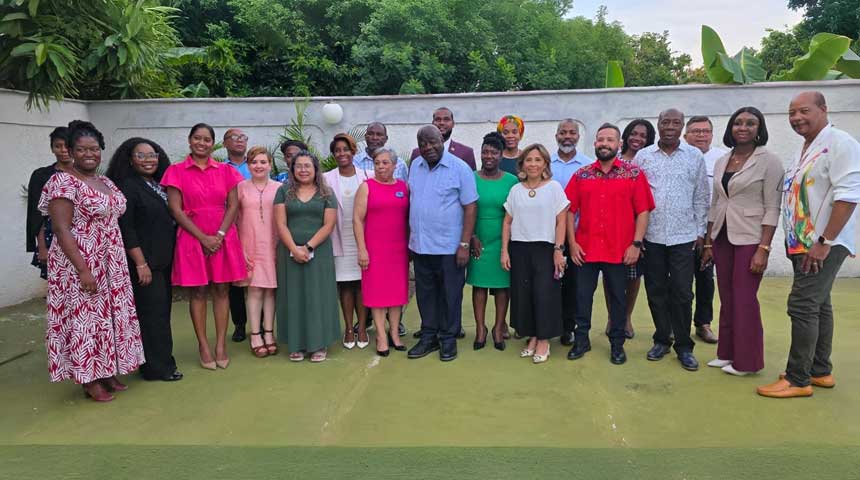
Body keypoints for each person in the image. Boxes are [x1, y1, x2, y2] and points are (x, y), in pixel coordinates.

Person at [758, 91, 860, 398]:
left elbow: (848, 196)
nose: (796, 118)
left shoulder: (840, 143)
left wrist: (825, 241)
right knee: (819, 304)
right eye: (792, 113)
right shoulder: (806, 147)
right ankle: (819, 370)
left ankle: (797, 379)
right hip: (804, 243)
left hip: (821, 244)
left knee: (802, 305)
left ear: (823, 109)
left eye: (804, 111)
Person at [38, 120, 144, 402]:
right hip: (80, 261)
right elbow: (61, 229)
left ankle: (106, 369)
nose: (89, 154)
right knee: (85, 319)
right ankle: (88, 378)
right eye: (82, 149)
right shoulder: (62, 182)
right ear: (71, 152)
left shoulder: (105, 182)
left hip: (111, 261)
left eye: (94, 149)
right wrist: (83, 270)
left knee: (107, 317)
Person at [700, 107, 783, 377]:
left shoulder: (769, 161)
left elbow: (772, 207)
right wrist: (709, 242)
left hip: (751, 238)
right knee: (727, 296)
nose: (743, 128)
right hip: (722, 236)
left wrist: (764, 248)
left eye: (750, 123)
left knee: (744, 298)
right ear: (730, 128)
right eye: (738, 123)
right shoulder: (722, 160)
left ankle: (747, 362)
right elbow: (716, 204)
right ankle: (726, 352)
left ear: (759, 128)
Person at [565, 124, 654, 365]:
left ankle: (617, 344)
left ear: (619, 144)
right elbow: (568, 210)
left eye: (610, 140)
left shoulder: (633, 174)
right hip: (585, 249)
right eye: (600, 139)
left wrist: (636, 244)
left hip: (619, 250)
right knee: (582, 298)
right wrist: (572, 243)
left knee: (618, 299)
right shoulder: (582, 175)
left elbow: (643, 211)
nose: (604, 143)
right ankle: (581, 340)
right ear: (595, 143)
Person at [161, 123, 246, 371]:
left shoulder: (226, 171)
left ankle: (220, 345)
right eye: (197, 138)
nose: (202, 143)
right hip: (191, 237)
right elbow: (175, 209)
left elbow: (233, 205)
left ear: (213, 143)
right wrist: (203, 238)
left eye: (207, 139)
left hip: (222, 236)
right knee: (197, 292)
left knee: (221, 290)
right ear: (190, 140)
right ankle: (203, 346)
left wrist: (218, 235)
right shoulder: (176, 171)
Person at [634, 108, 709, 371]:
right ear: (658, 124)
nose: (670, 127)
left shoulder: (694, 155)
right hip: (652, 236)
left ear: (682, 127)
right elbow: (635, 198)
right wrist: (637, 235)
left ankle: (684, 346)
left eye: (675, 123)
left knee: (682, 292)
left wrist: (700, 232)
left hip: (684, 237)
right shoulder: (643, 157)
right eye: (665, 122)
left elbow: (701, 195)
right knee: (655, 290)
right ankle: (662, 339)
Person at [106, 137, 183, 382]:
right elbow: (127, 229)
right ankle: (157, 368)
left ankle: (160, 362)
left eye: (152, 155)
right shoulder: (128, 187)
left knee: (160, 313)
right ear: (130, 159)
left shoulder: (157, 184)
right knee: (153, 316)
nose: (148, 160)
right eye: (141, 155)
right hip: (145, 263)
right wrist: (140, 263)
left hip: (162, 261)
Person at [407, 126, 478, 362]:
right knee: (425, 295)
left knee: (450, 295)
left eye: (432, 142)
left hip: (449, 247)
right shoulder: (415, 166)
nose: (428, 147)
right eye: (423, 144)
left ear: (442, 140)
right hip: (421, 245)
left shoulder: (460, 168)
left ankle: (448, 338)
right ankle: (429, 336)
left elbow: (470, 207)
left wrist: (464, 244)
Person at [501, 143, 568, 364]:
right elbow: (507, 222)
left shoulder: (554, 188)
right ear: (522, 164)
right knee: (524, 295)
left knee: (544, 294)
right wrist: (504, 251)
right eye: (529, 160)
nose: (533, 164)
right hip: (519, 248)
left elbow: (561, 222)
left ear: (545, 163)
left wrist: (558, 250)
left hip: (545, 249)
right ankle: (532, 336)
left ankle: (544, 340)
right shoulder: (516, 190)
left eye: (538, 160)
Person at [274, 151, 341, 362]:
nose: (303, 170)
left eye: (307, 166)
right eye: (299, 166)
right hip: (289, 252)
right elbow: (280, 224)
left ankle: (319, 343)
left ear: (315, 169)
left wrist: (308, 247)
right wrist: (294, 249)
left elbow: (329, 224)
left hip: (318, 252)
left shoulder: (326, 193)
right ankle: (297, 344)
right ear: (292, 169)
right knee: (293, 297)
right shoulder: (283, 191)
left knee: (317, 296)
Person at [601, 119, 657, 339]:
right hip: (614, 226)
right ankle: (612, 317)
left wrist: (638, 237)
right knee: (610, 275)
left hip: (640, 227)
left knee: (633, 275)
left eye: (643, 136)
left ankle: (626, 317)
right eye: (634, 134)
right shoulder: (614, 159)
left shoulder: (650, 160)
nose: (638, 139)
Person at [354, 147, 410, 356]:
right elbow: (357, 220)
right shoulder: (366, 187)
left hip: (398, 250)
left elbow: (408, 218)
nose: (380, 167)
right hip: (375, 250)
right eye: (377, 163)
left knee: (397, 294)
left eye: (385, 163)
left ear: (395, 165)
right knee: (377, 294)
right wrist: (362, 249)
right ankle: (381, 336)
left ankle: (394, 333)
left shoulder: (403, 187)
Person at [467, 132, 518, 351]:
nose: (489, 156)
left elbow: (515, 213)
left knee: (502, 287)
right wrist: (471, 236)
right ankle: (481, 328)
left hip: (502, 241)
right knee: (479, 285)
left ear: (501, 155)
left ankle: (498, 328)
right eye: (485, 152)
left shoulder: (512, 181)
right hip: (478, 239)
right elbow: (465, 209)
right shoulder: (470, 177)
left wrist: (508, 245)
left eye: (494, 152)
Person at [323, 133, 373, 350]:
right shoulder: (325, 178)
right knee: (344, 284)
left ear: (353, 152)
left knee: (362, 283)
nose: (341, 153)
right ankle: (349, 328)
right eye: (337, 150)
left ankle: (362, 327)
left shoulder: (368, 175)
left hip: (362, 239)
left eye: (345, 149)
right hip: (338, 236)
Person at [683, 116, 728, 344]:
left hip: (710, 231)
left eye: (705, 131)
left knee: (705, 279)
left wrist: (708, 235)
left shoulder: (722, 159)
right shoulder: (680, 157)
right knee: (679, 283)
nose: (701, 135)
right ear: (685, 136)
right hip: (681, 231)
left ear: (712, 134)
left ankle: (703, 323)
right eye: (695, 131)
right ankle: (676, 325)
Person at [235, 146, 281, 358]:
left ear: (270, 165)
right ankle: (255, 334)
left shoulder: (280, 188)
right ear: (248, 165)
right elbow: (233, 220)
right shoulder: (240, 188)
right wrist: (239, 249)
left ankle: (269, 333)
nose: (259, 166)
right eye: (254, 162)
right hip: (249, 245)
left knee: (270, 290)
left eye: (263, 162)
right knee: (254, 290)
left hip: (274, 244)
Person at [549, 119, 592, 345]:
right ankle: (547, 326)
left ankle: (569, 328)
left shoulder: (588, 166)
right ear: (556, 136)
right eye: (563, 132)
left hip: (577, 235)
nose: (567, 136)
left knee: (574, 285)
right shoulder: (545, 164)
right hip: (548, 235)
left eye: (572, 133)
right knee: (549, 283)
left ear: (578, 136)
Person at [26, 127, 70, 279]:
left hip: (83, 239)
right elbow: (37, 214)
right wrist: (42, 247)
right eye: (58, 146)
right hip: (52, 238)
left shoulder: (85, 175)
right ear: (52, 149)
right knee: (58, 282)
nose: (63, 150)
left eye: (67, 145)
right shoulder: (41, 175)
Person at [223, 128, 251, 342]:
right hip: (230, 227)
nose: (240, 141)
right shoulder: (220, 169)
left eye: (243, 138)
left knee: (258, 277)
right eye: (235, 138)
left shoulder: (256, 164)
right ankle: (239, 324)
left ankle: (262, 325)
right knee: (235, 280)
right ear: (225, 143)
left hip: (255, 226)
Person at [410, 107, 476, 170]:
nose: (442, 123)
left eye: (446, 119)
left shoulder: (466, 153)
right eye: (438, 119)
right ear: (432, 123)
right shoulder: (417, 153)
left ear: (453, 124)